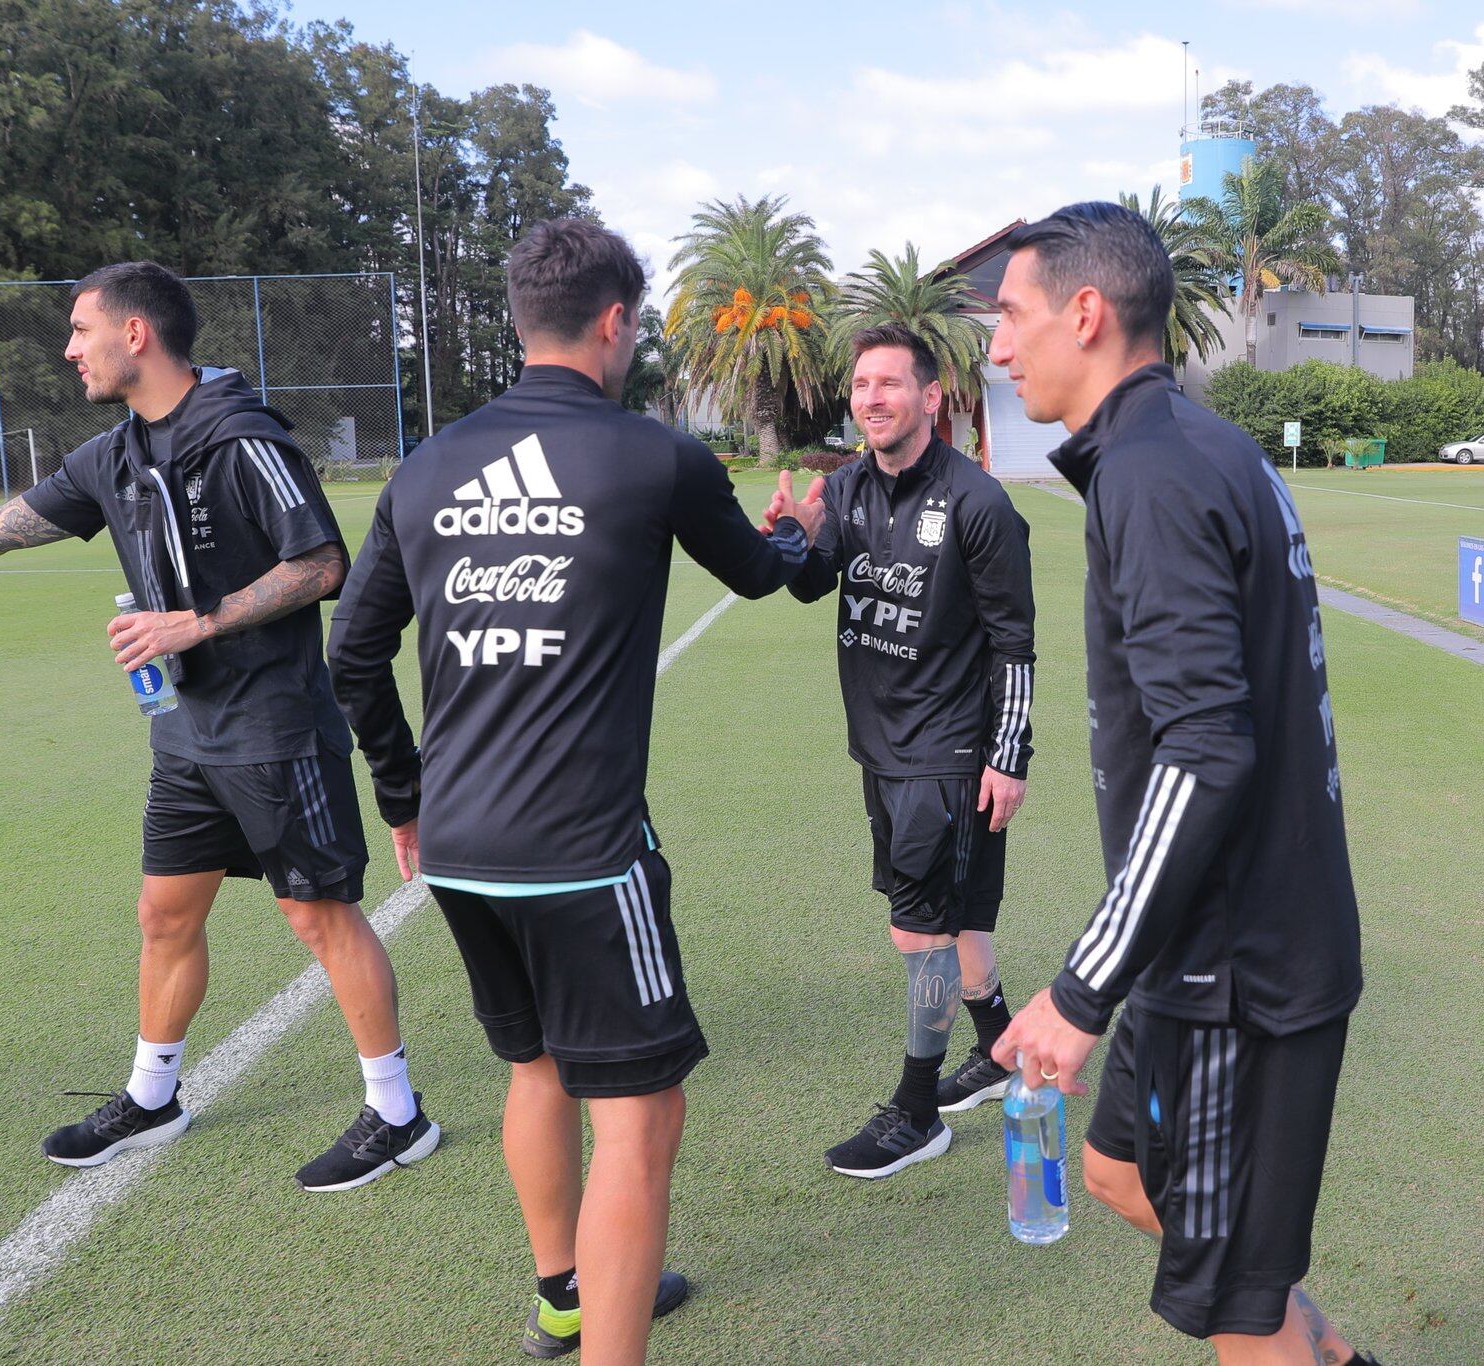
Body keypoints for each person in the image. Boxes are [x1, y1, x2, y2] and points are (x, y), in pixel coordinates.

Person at [325, 216, 826, 1364]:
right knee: (639, 1117)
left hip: (454, 846)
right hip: (586, 855)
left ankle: (563, 1295)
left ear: (516, 320)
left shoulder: (427, 465)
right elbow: (762, 574)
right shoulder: (653, 455)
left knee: (535, 1066)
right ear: (614, 323)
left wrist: (404, 799)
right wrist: (800, 532)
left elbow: (352, 658)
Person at [0, 261, 435, 1192]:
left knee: (316, 914)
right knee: (164, 911)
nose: (68, 350)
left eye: (79, 329)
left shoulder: (242, 439)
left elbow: (323, 564)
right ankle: (154, 1097)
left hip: (275, 730)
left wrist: (201, 619)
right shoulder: (115, 455)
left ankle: (398, 1114)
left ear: (135, 334)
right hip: (184, 733)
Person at [986, 203, 1379, 1366]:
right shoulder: (1188, 446)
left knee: (1234, 1314)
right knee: (1111, 1170)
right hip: (1194, 949)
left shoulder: (1154, 470)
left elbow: (1205, 753)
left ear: (1087, 314)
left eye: (1010, 317)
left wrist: (1075, 989)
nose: (998, 350)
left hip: (1236, 971)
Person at [762, 324, 1037, 1178]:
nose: (871, 398)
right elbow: (812, 584)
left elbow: (1015, 645)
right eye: (861, 385)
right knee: (958, 923)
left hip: (949, 753)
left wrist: (1009, 756)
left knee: (918, 937)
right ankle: (999, 1054)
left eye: (889, 384)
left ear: (929, 395)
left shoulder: (978, 503)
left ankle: (918, 1112)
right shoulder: (845, 489)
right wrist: (790, 534)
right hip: (881, 744)